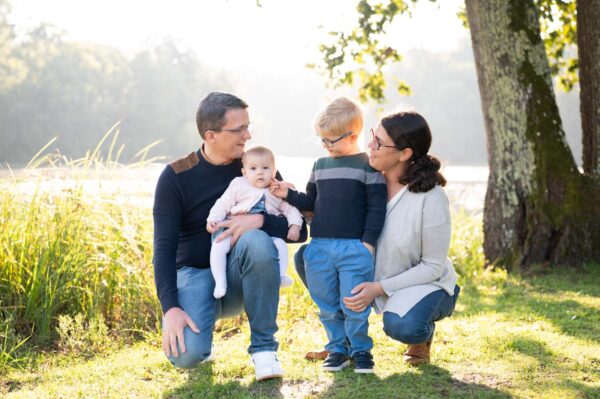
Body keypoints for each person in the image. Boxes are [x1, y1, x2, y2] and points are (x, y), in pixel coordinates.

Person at [152, 92, 306, 380]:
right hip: (195, 274)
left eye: (248, 127)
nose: (247, 135)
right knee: (186, 356)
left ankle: (264, 351)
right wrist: (170, 308)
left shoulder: (256, 167)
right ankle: (203, 335)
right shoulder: (175, 175)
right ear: (211, 135)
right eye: (239, 129)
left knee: (257, 240)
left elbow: (300, 232)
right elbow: (163, 249)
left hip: (240, 277)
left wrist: (260, 220)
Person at [295, 110, 460, 366]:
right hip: (364, 270)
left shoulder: (431, 197)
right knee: (305, 257)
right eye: (373, 136)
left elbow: (433, 266)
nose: (370, 145)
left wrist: (379, 289)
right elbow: (325, 216)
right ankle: (342, 343)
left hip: (423, 284)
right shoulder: (361, 179)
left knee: (404, 326)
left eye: (379, 143)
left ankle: (421, 335)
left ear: (404, 154)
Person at [270, 97, 387, 373]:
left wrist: (368, 244)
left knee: (354, 302)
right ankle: (337, 348)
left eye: (330, 140)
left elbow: (376, 208)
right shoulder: (320, 165)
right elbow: (311, 202)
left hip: (353, 249)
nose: (325, 145)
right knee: (326, 303)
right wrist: (288, 194)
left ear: (353, 135)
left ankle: (361, 350)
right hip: (320, 246)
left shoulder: (368, 167)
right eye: (321, 140)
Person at [207, 145, 302, 298]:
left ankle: (280, 276)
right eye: (253, 168)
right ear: (244, 172)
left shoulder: (277, 190)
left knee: (281, 245)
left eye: (265, 168)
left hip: (265, 234)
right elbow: (223, 203)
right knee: (218, 245)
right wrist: (213, 219)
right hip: (235, 230)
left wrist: (295, 226)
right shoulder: (239, 184)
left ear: (274, 171)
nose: (259, 172)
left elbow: (291, 210)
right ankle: (220, 282)